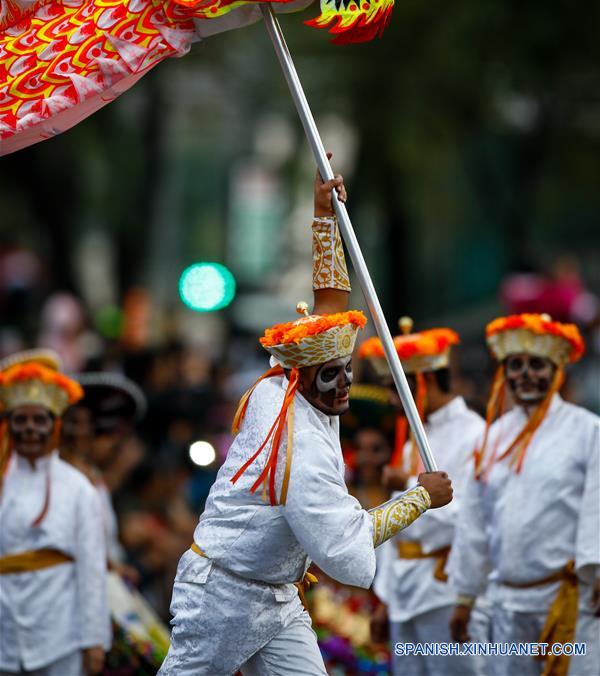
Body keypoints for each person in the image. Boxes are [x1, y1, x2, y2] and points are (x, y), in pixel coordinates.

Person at [159, 165, 453, 675]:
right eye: (329, 377)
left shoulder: (285, 381)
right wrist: (421, 498)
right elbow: (344, 546)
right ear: (299, 377)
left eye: (346, 370)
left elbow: (330, 308)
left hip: (279, 597)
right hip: (222, 594)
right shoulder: (301, 445)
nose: (342, 384)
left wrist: (324, 217)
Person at [448, 313, 600, 676]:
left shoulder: (587, 430)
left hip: (567, 601)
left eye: (536, 364)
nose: (525, 374)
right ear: (504, 373)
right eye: (515, 365)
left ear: (557, 370)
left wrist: (597, 572)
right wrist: (465, 597)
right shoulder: (492, 437)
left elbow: (597, 506)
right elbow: (473, 521)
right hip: (506, 604)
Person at [362, 320, 485, 675]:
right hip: (403, 594)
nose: (388, 399)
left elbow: (468, 519)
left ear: (424, 381)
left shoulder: (474, 435)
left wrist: (410, 491)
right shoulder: (411, 436)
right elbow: (395, 525)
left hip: (446, 591)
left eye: (393, 389)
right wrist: (384, 599)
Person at [0, 350, 110, 676]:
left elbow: (92, 569)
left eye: (39, 420)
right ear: (9, 426)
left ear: (55, 425)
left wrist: (94, 641)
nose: (30, 429)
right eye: (21, 420)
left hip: (60, 634)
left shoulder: (79, 488)